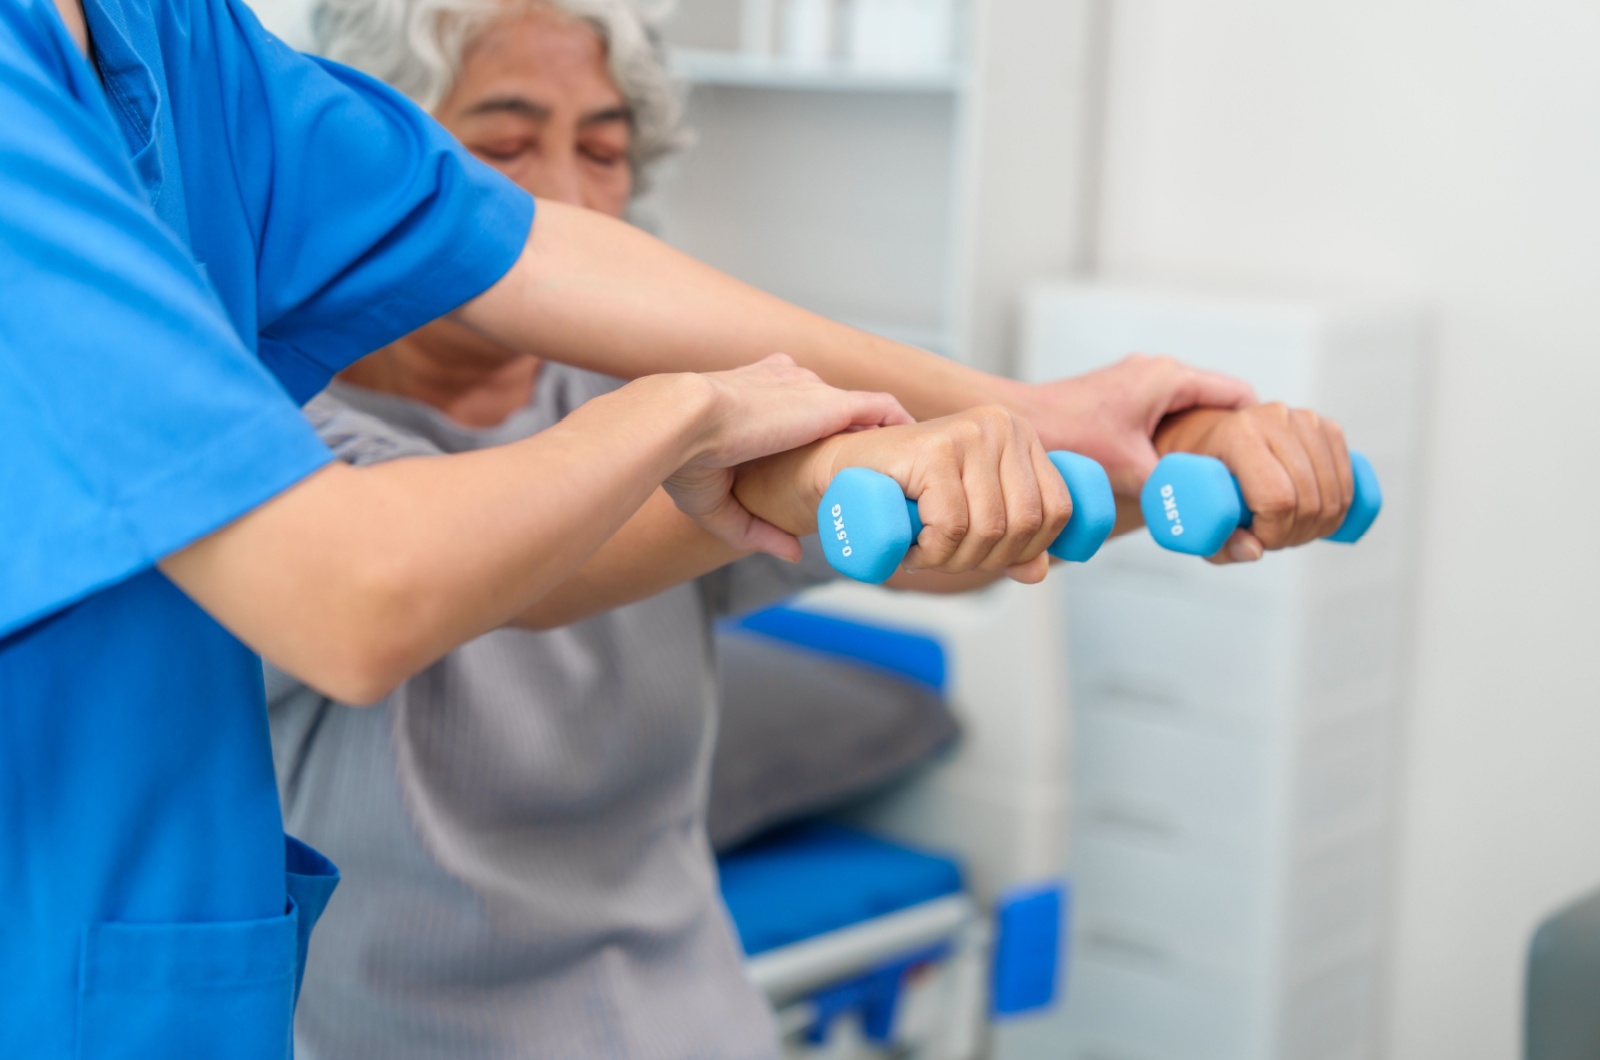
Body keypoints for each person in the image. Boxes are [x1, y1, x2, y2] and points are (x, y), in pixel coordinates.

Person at [263, 2, 1365, 1058]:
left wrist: (1180, 456)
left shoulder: (641, 380)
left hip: (684, 1021)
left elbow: (904, 533)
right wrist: (810, 461)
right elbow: (547, 548)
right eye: (505, 147)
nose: (569, 198)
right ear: (384, 184)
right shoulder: (281, 433)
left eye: (604, 150)